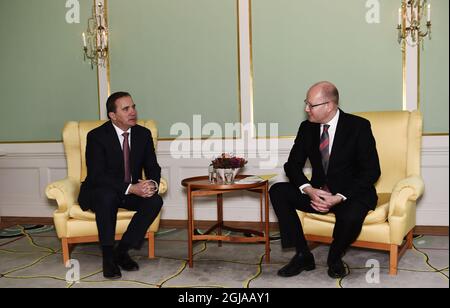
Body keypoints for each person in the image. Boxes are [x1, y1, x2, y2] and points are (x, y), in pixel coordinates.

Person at [269, 81, 381, 279]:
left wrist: (339, 196)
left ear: (329, 105)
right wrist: (309, 190)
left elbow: (372, 171)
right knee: (278, 190)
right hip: (318, 192)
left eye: (311, 105)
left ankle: (335, 257)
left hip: (349, 194)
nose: (306, 109)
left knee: (352, 215)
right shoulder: (307, 128)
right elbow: (292, 165)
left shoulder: (358, 126)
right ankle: (303, 254)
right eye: (306, 103)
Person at [78, 91, 163, 279]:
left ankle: (122, 251)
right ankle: (108, 256)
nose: (132, 112)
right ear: (113, 115)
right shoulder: (97, 136)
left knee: (154, 201)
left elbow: (153, 166)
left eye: (133, 107)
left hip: (129, 190)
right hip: (100, 190)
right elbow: (97, 175)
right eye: (126, 109)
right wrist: (132, 188)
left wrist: (151, 184)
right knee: (106, 197)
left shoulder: (143, 134)